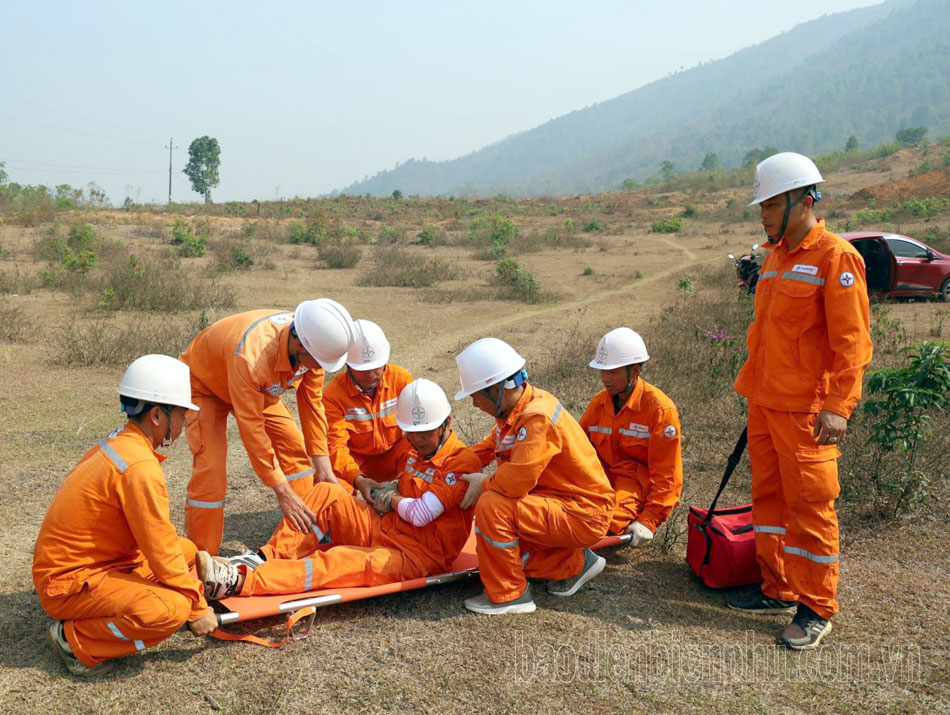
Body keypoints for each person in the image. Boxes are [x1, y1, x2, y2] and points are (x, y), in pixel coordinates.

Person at [728, 152, 872, 650]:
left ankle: (815, 607)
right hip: (765, 403)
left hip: (807, 411)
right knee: (769, 502)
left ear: (804, 201)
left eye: (771, 203)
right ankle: (778, 587)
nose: (763, 213)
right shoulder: (773, 258)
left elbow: (852, 343)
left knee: (810, 506)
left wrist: (838, 405)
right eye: (761, 204)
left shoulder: (836, 258)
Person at [197, 379, 480, 598]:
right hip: (385, 528)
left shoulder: (460, 462)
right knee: (327, 492)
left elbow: (420, 514)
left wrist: (391, 497)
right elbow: (407, 492)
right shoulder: (415, 453)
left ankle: (239, 581)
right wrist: (384, 493)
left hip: (415, 558)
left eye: (425, 433)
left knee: (335, 561)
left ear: (446, 425)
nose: (417, 440)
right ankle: (263, 558)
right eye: (411, 433)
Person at [33, 355, 218, 678]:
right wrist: (198, 608)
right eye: (183, 413)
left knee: (185, 551)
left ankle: (130, 601)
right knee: (171, 612)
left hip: (93, 564)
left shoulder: (122, 443)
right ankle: (74, 640)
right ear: (158, 415)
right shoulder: (139, 468)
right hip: (70, 582)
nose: (186, 421)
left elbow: (160, 544)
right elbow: (159, 549)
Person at [178, 298, 355, 555]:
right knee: (211, 468)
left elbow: (312, 407)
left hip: (258, 389)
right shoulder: (251, 356)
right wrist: (281, 491)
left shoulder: (314, 346)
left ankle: (302, 536)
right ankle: (202, 557)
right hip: (205, 387)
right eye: (317, 362)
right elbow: (252, 429)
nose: (318, 368)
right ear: (299, 343)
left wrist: (325, 471)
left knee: (294, 447)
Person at [454, 338, 614, 615]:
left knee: (493, 506)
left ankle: (510, 595)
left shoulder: (536, 417)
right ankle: (575, 564)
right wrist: (447, 466)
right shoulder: (516, 412)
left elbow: (514, 484)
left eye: (476, 395)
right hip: (562, 503)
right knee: (503, 551)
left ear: (496, 389)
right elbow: (484, 449)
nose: (475, 404)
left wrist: (483, 483)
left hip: (582, 512)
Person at [580, 327, 683, 543]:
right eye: (603, 371)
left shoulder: (659, 410)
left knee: (606, 521)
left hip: (632, 483)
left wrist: (649, 520)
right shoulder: (599, 402)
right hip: (597, 478)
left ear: (635, 370)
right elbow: (577, 446)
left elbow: (668, 475)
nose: (606, 378)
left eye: (613, 372)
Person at [322, 319, 413, 491]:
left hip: (395, 456)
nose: (371, 375)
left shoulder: (401, 380)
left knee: (420, 450)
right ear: (347, 365)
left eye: (376, 367)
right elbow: (336, 447)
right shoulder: (332, 395)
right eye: (363, 369)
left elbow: (420, 429)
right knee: (331, 485)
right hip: (355, 462)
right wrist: (356, 479)